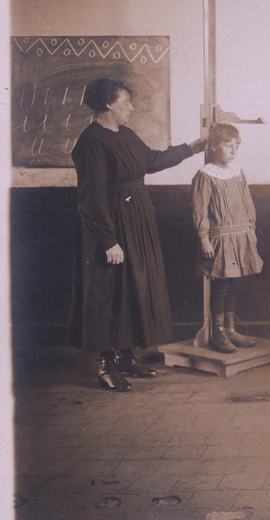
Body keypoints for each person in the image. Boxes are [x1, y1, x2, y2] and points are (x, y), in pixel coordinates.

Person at [68, 77, 204, 391]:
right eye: (125, 102)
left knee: (131, 286)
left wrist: (191, 148)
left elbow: (151, 161)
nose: (131, 107)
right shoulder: (91, 141)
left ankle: (126, 356)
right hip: (111, 223)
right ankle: (105, 364)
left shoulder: (126, 134)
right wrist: (108, 240)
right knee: (107, 291)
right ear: (107, 105)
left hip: (136, 218)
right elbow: (91, 197)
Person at [191, 123, 264, 354]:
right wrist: (204, 238)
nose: (233, 151)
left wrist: (251, 228)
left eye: (236, 146)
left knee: (234, 283)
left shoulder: (237, 172)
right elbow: (199, 210)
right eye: (228, 145)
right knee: (221, 285)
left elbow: (246, 201)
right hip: (220, 238)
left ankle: (231, 329)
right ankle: (218, 333)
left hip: (240, 233)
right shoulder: (205, 175)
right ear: (213, 147)